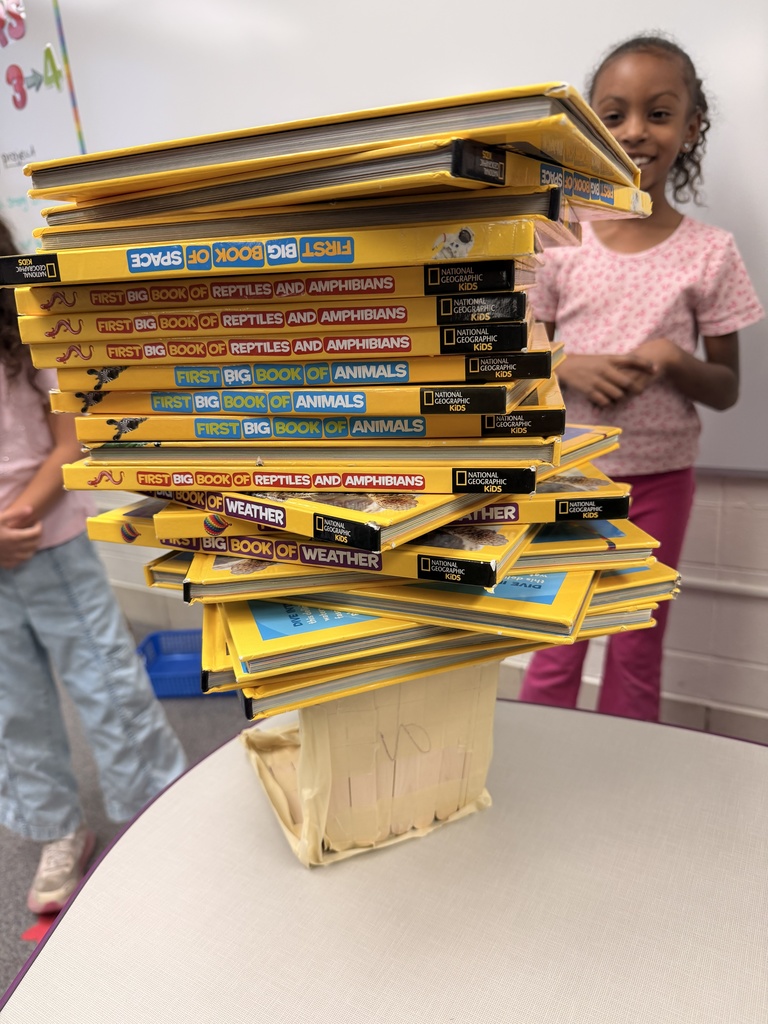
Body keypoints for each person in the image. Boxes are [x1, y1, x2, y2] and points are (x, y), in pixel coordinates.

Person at [519, 34, 764, 722]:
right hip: (565, 475)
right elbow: (508, 358)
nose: (635, 131)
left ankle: (627, 792)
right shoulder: (558, 234)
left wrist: (669, 358)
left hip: (660, 481)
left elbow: (726, 388)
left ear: (692, 127)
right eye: (615, 114)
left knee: (635, 645)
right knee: (555, 641)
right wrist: (572, 364)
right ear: (591, 128)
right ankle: (542, 767)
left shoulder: (710, 254)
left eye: (658, 114)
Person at [0, 218, 188, 914]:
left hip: (49, 543)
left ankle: (156, 810)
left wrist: (19, 517)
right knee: (12, 708)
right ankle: (56, 830)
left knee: (108, 683)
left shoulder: (27, 332)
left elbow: (70, 440)